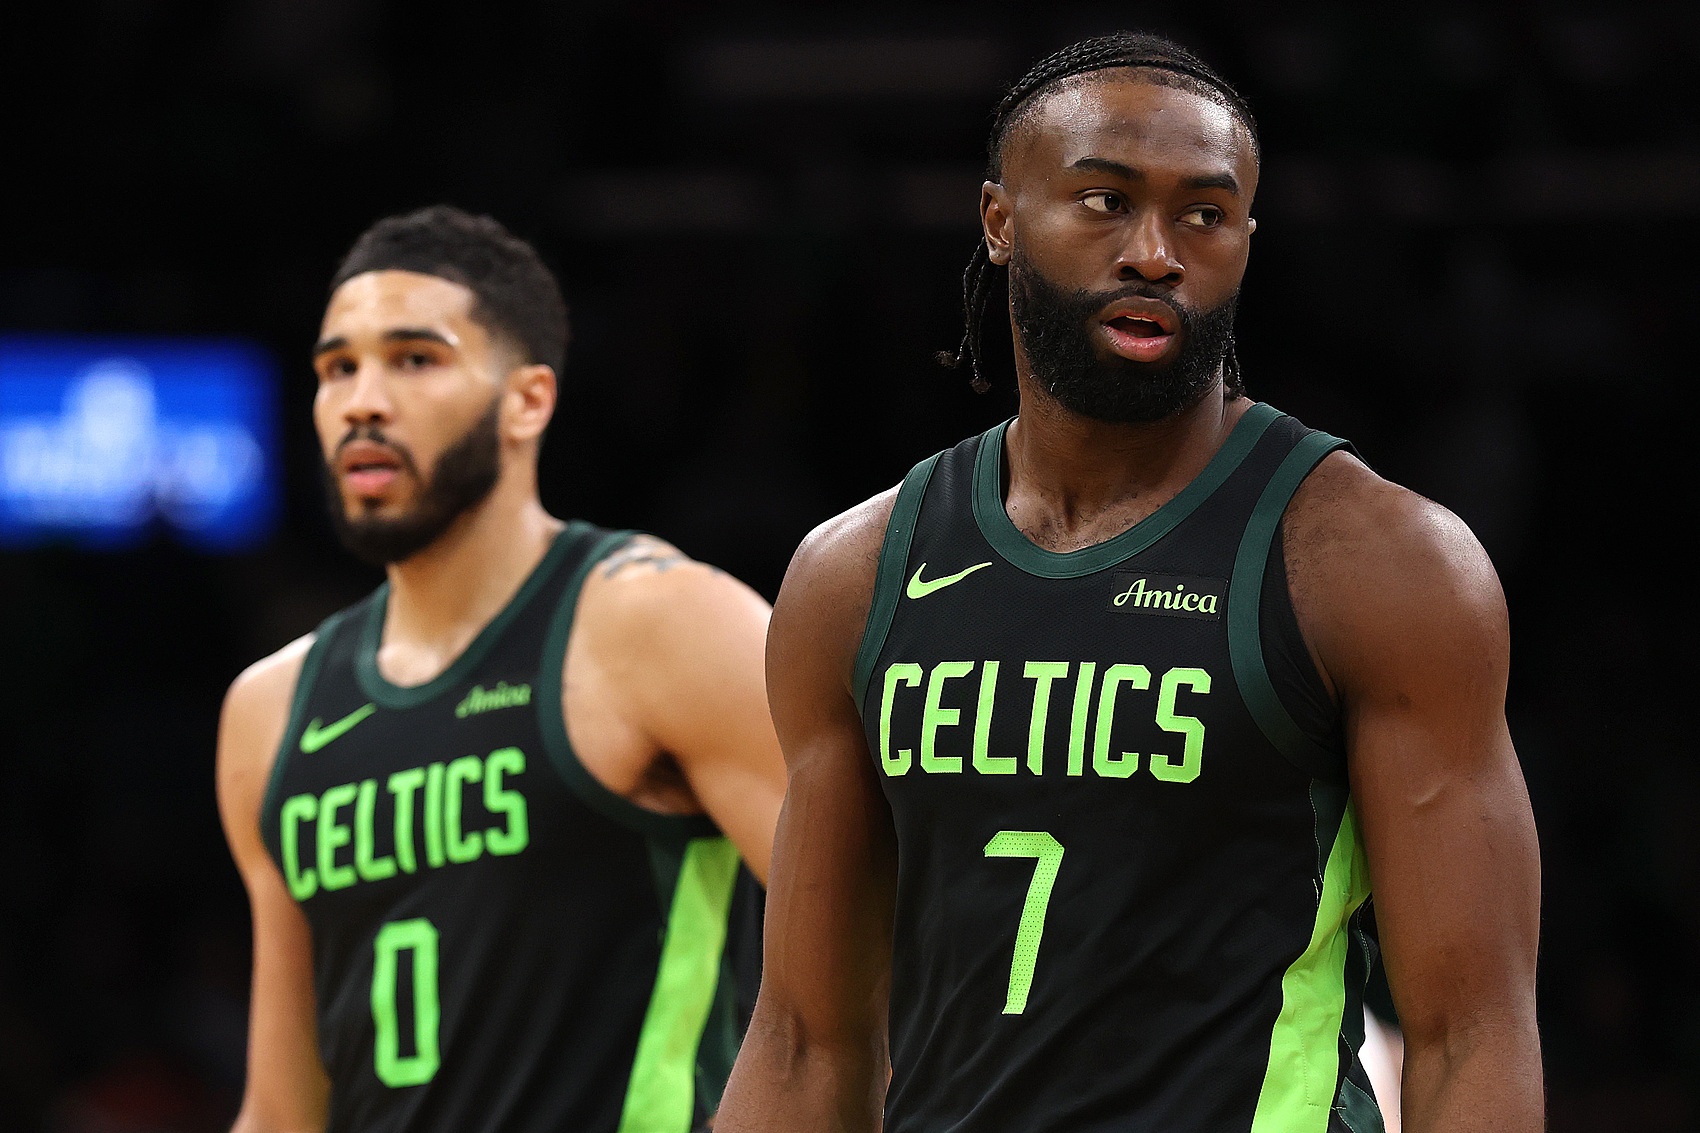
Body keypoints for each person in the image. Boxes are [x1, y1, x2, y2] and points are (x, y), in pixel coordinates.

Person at [717, 32, 1541, 1133]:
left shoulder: (1377, 564)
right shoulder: (854, 576)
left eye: (1203, 214)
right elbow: (803, 1040)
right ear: (1000, 220)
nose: (1155, 253)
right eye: (1104, 201)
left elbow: (1470, 1033)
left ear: (1245, 241)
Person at [216, 205, 786, 1133]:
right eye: (337, 368)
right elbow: (282, 1107)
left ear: (528, 400)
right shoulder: (271, 707)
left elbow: (883, 959)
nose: (362, 401)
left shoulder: (660, 623)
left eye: (414, 359)